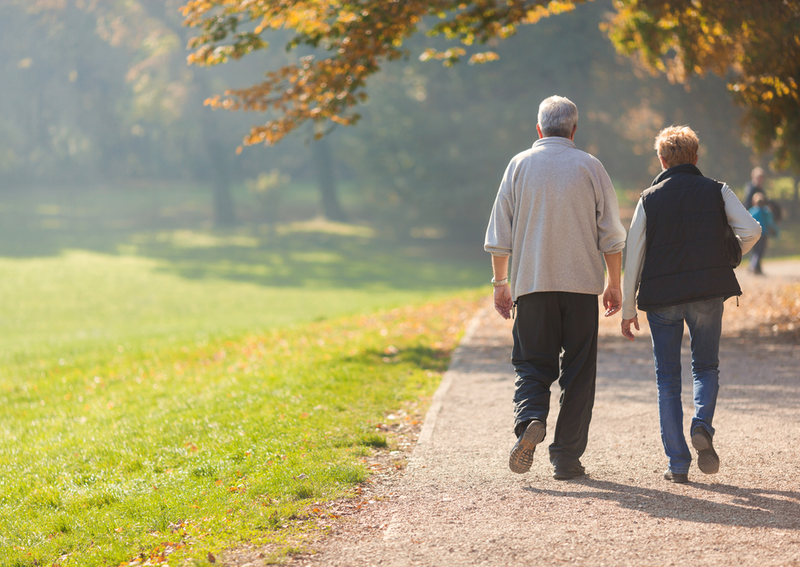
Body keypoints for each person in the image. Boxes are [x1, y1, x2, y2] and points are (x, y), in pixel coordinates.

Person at [484, 95, 626, 480]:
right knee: (579, 373)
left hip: (532, 286)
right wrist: (614, 284)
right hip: (581, 290)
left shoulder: (519, 165)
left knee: (532, 363)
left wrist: (501, 283)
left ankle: (530, 419)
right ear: (574, 130)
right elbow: (612, 236)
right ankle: (566, 458)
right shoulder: (590, 166)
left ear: (539, 129)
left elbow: (500, 234)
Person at [620, 126, 762, 484]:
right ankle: (702, 425)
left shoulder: (648, 199)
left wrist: (627, 308)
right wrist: (729, 254)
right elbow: (752, 230)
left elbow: (633, 254)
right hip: (708, 292)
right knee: (706, 367)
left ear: (662, 160)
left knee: (667, 380)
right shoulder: (718, 190)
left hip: (662, 299)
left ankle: (678, 464)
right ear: (696, 157)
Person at [748, 192, 780, 275]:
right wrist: (775, 232)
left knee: (755, 251)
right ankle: (754, 267)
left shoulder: (752, 211)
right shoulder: (766, 212)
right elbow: (770, 223)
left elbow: (748, 221)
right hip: (763, 234)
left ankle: (755, 267)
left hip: (754, 234)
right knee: (760, 251)